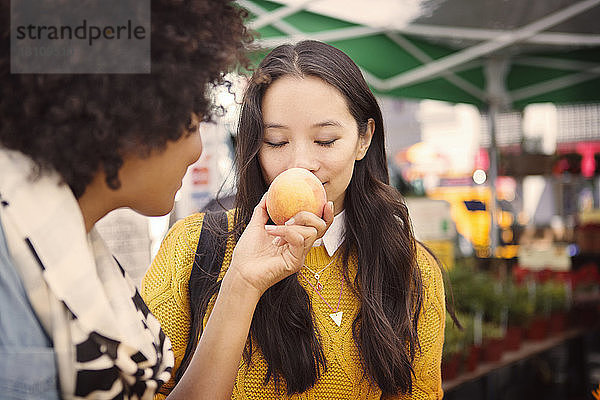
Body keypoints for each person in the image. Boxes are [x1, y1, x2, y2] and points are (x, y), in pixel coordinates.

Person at [0, 2, 332, 399]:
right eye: (192, 124)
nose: (195, 152)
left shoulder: (78, 250)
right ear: (130, 117)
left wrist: (243, 280)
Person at [143, 40, 447, 400]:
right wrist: (241, 284)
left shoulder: (412, 270)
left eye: (325, 140)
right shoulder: (192, 247)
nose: (300, 162)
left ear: (363, 139)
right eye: (275, 141)